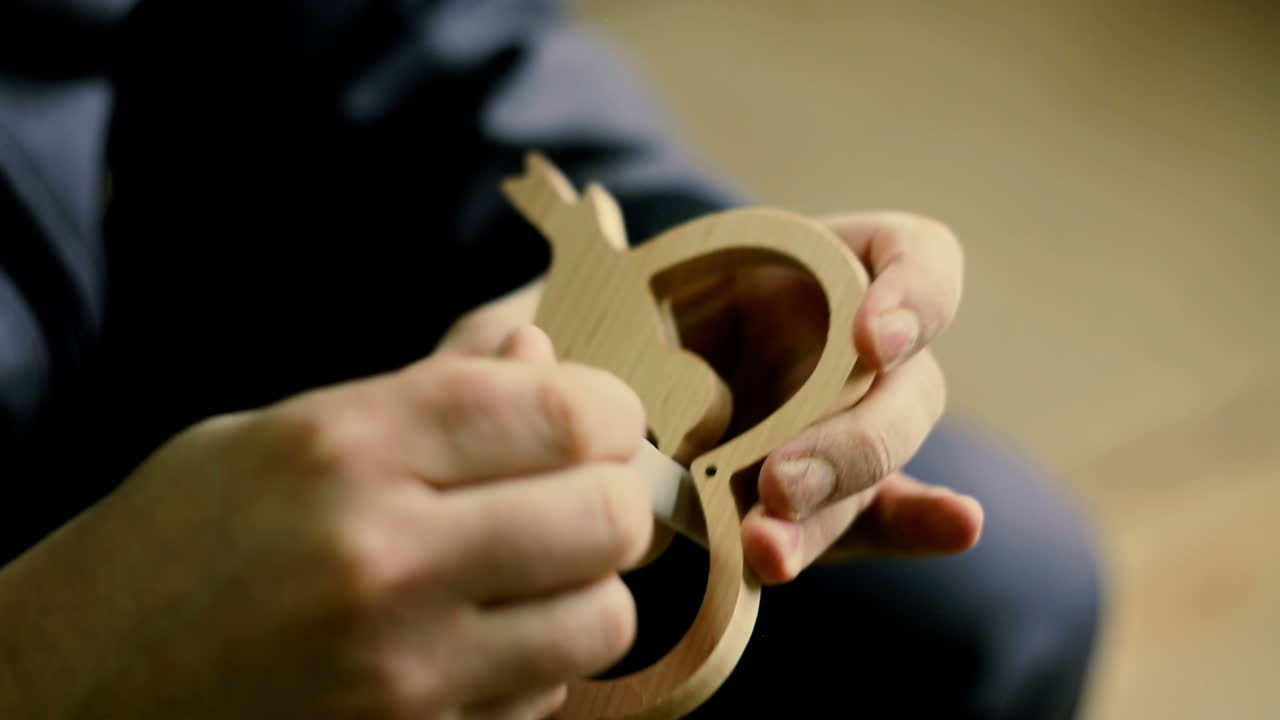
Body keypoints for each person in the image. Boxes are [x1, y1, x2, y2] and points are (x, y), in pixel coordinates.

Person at [0, 1, 1104, 718]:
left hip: (132, 281)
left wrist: (677, 274)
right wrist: (43, 658)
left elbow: (405, 34)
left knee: (995, 600)